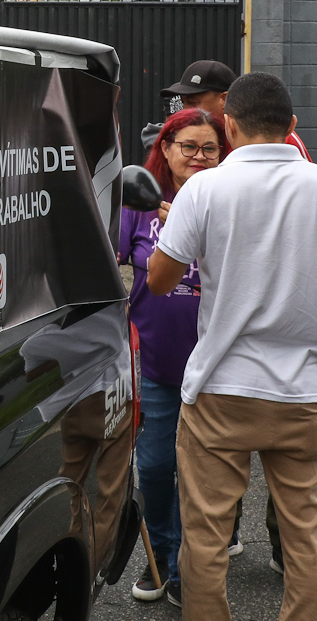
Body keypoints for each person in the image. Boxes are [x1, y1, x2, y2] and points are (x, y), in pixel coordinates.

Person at [148, 73, 317, 621]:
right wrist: (313, 271)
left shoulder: (203, 189)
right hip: (303, 391)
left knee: (205, 534)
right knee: (305, 530)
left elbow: (159, 280)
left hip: (221, 389)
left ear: (229, 126)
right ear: (292, 125)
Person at [120, 108, 228, 604]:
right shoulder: (143, 205)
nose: (199, 157)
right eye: (188, 146)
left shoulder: (230, 202)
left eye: (210, 148)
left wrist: (192, 230)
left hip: (216, 363)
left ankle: (190, 569)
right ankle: (161, 553)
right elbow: (111, 259)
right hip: (156, 359)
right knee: (157, 466)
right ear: (165, 149)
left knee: (203, 475)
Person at [148, 60, 313, 160]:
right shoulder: (185, 137)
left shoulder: (273, 133)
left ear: (224, 99)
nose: (185, 110)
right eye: (183, 102)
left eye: (193, 102)